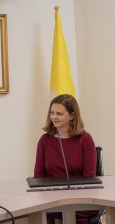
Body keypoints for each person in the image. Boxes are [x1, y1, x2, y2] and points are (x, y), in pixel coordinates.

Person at [33, 94, 99, 224]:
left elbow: (89, 177)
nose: (54, 117)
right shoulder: (44, 140)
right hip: (52, 198)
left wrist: (69, 198)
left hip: (80, 198)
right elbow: (39, 176)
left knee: (62, 212)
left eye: (59, 113)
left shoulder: (85, 139)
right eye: (51, 113)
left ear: (72, 116)